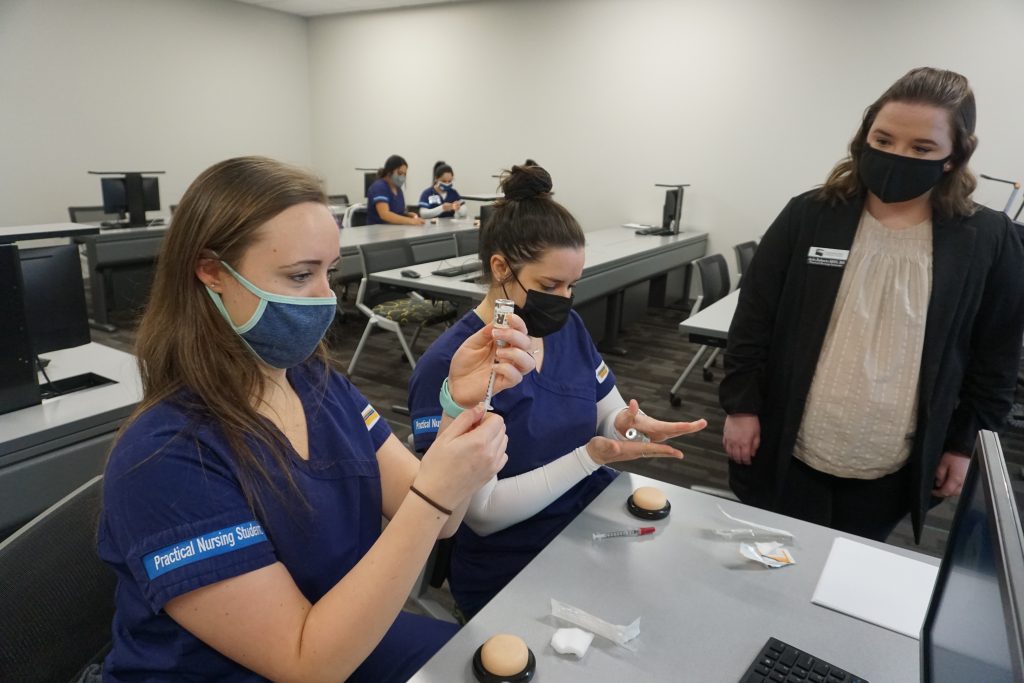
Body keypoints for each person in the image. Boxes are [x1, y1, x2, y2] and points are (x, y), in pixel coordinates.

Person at [96, 156, 537, 682]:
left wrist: (458, 408)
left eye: (331, 272)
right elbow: (305, 665)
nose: (327, 298)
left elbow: (442, 522)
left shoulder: (318, 384)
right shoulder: (166, 456)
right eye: (301, 275)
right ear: (211, 270)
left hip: (342, 631)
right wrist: (436, 492)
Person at [720, 67, 1024, 544]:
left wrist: (965, 444)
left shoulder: (987, 239)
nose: (897, 156)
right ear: (864, 137)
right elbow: (753, 320)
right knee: (771, 559)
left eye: (922, 148)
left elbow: (996, 356)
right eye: (883, 139)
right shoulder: (810, 215)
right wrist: (741, 407)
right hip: (791, 443)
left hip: (893, 461)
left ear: (954, 156)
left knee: (846, 571)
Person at [408, 164, 707, 619]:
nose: (564, 298)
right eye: (550, 286)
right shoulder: (453, 370)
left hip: (594, 522)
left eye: (572, 285)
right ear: (501, 268)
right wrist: (589, 457)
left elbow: (606, 411)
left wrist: (627, 423)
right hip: (515, 565)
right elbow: (482, 514)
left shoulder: (567, 327)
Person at [366, 154, 424, 225]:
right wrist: (410, 221)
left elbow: (397, 213)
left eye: (404, 174)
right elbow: (385, 214)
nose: (402, 177)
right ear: (389, 171)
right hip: (378, 233)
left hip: (394, 231)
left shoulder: (398, 190)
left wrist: (407, 215)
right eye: (399, 173)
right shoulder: (379, 187)